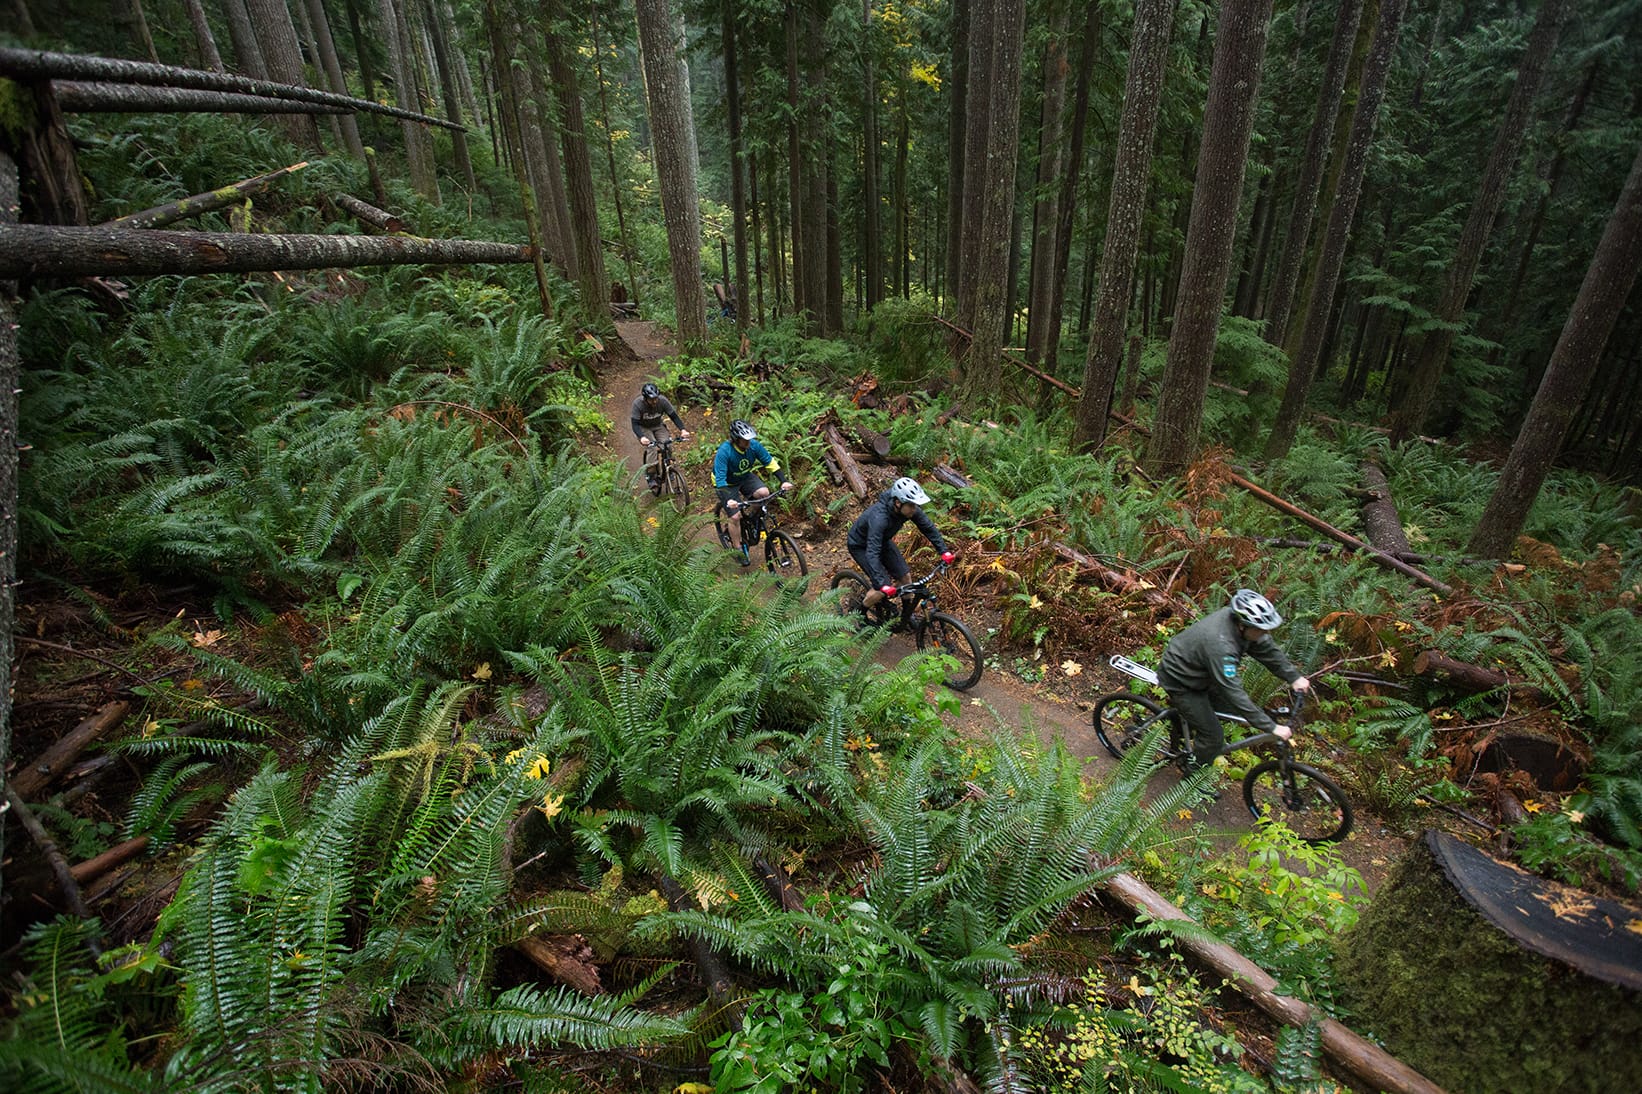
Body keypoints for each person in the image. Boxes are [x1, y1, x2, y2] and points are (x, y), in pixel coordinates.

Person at [1157, 588, 1311, 773]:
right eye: (1261, 630)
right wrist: (1270, 727)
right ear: (1242, 625)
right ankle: (1191, 780)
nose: (1264, 634)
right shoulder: (1221, 645)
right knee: (1213, 737)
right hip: (1181, 680)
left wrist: (1294, 678)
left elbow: (1268, 650)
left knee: (1229, 712)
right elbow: (1232, 691)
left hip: (1203, 672)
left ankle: (1182, 725)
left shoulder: (1245, 627)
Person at [847, 477, 955, 611]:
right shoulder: (879, 518)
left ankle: (906, 616)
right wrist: (882, 584)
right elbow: (872, 551)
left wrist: (944, 551)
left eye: (915, 505)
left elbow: (928, 527)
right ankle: (859, 612)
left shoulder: (908, 508)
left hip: (883, 541)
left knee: (905, 578)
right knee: (881, 589)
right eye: (911, 505)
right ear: (898, 503)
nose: (914, 509)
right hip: (860, 545)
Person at [713, 419, 793, 561]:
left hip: (744, 476)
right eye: (745, 440)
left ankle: (750, 521)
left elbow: (770, 463)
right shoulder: (724, 452)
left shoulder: (754, 446)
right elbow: (720, 479)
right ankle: (738, 549)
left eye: (750, 439)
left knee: (764, 494)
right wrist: (729, 500)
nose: (749, 442)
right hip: (726, 483)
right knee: (735, 516)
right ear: (736, 439)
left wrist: (783, 480)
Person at [630, 382, 689, 492]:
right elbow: (635, 424)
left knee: (667, 444)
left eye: (656, 398)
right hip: (644, 428)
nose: (655, 401)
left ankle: (668, 469)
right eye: (652, 399)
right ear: (645, 398)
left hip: (658, 425)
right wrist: (642, 437)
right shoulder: (638, 404)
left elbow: (673, 416)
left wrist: (683, 429)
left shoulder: (663, 401)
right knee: (652, 448)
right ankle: (651, 475)